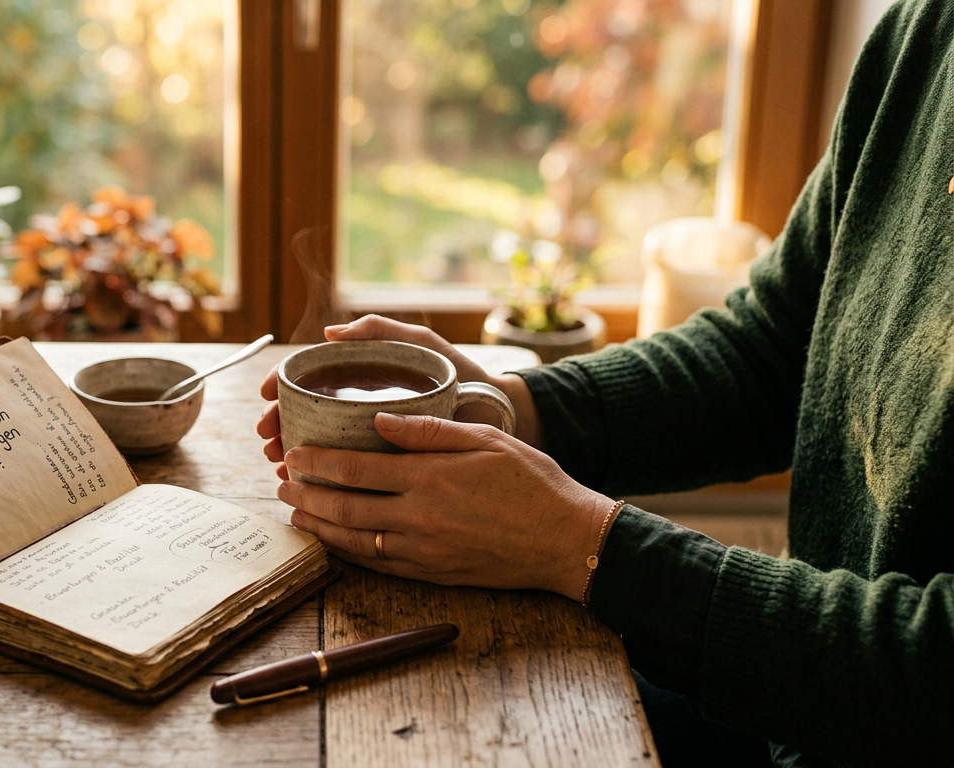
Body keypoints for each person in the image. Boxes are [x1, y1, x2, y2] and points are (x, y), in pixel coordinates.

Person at [255, 2, 953, 765]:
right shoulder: (923, 34)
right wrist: (518, 407)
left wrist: (583, 548)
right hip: (780, 708)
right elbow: (770, 349)